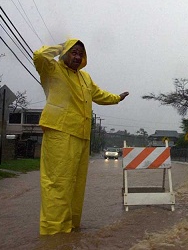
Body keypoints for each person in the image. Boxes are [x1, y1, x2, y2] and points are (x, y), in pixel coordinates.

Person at [33, 38, 129, 235]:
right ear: (66, 53)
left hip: (82, 136)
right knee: (58, 183)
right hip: (59, 132)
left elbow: (99, 94)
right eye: (73, 52)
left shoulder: (85, 78)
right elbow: (40, 55)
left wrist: (117, 98)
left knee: (76, 185)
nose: (77, 56)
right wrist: (62, 47)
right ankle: (54, 233)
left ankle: (70, 228)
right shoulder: (52, 69)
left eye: (80, 53)